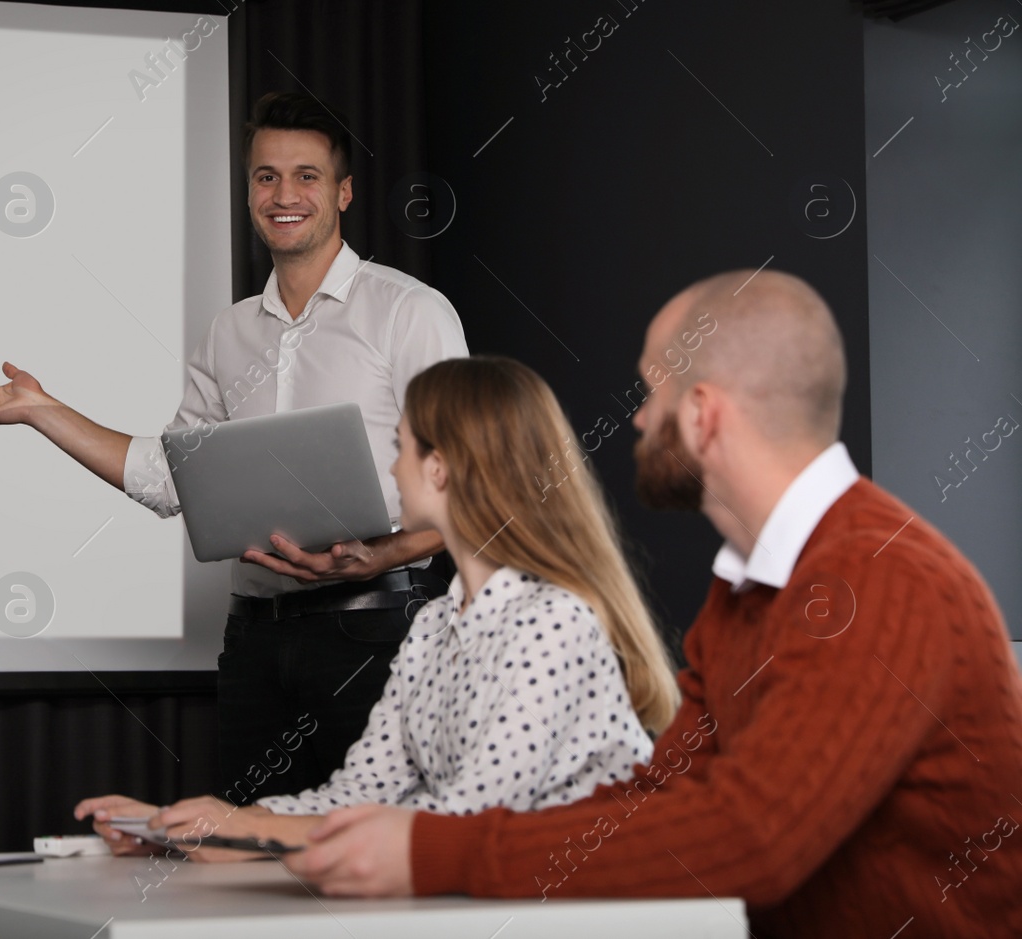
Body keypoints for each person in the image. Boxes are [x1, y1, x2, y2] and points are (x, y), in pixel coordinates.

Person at [282, 270, 1022, 938]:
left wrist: (432, 852)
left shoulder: (876, 579)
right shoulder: (747, 593)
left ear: (702, 414)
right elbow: (655, 799)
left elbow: (751, 839)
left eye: (653, 392)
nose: (637, 419)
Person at [0, 92, 469, 799]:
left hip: (378, 632)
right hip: (256, 644)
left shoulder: (409, 313)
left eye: (306, 176)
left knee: (375, 857)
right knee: (251, 864)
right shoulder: (227, 335)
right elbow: (170, 478)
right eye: (265, 177)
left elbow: (472, 488)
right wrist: (44, 410)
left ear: (344, 192)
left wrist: (372, 556)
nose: (284, 194)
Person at [74, 356, 678, 855]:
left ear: (438, 470)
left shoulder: (552, 621)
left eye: (402, 449)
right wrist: (185, 831)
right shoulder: (437, 624)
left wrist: (246, 826)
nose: (391, 467)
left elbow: (465, 820)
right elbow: (360, 793)